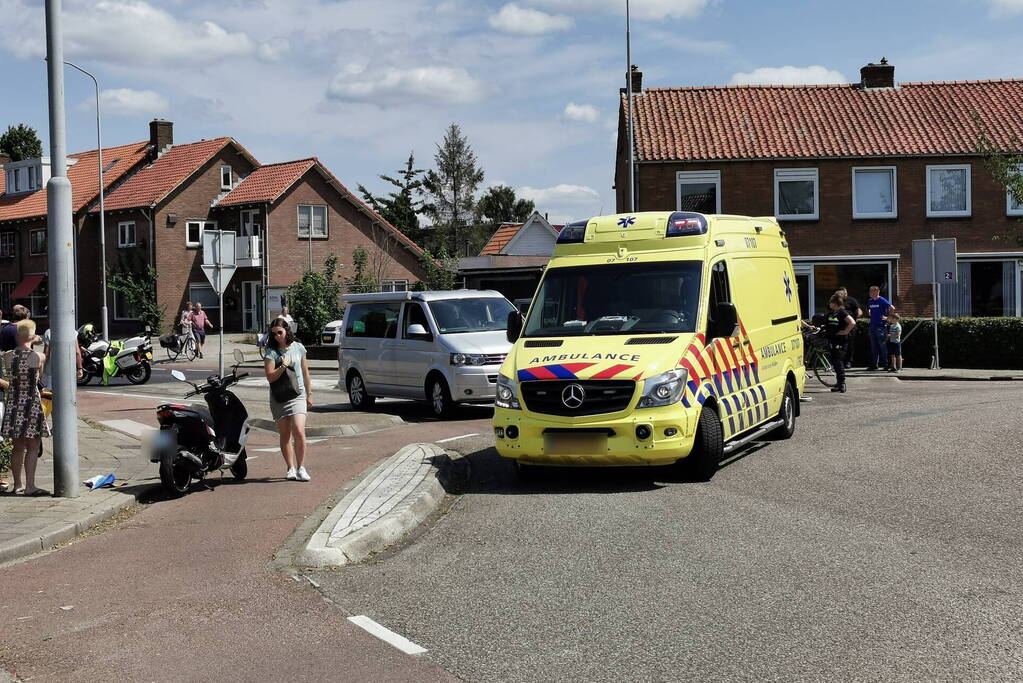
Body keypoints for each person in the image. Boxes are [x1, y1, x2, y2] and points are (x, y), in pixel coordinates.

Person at [2, 320, 50, 496]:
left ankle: (17, 485)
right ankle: (30, 486)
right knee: (33, 446)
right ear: (33, 335)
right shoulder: (37, 357)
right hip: (30, 403)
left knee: (17, 447)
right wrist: (39, 343)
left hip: (14, 403)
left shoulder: (8, 356)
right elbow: (40, 377)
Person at [263, 317, 313, 482]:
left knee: (299, 430)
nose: (277, 336)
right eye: (274, 334)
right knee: (285, 434)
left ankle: (301, 467)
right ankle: (290, 468)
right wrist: (282, 366)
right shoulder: (271, 351)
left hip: (298, 395)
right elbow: (270, 377)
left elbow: (305, 372)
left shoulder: (298, 347)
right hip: (280, 397)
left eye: (280, 332)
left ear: (287, 331)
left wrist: (309, 393)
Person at [824, 293, 855, 393]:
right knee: (835, 361)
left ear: (835, 303)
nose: (829, 304)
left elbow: (852, 322)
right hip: (833, 341)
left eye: (831, 302)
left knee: (838, 362)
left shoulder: (842, 312)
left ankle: (842, 384)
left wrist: (845, 331)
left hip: (841, 341)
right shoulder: (833, 313)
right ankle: (838, 383)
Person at [866, 285, 895, 371]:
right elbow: (868, 308)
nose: (871, 293)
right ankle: (874, 364)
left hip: (881, 326)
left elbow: (892, 308)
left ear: (876, 292)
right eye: (870, 291)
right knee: (873, 346)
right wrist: (869, 312)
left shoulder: (882, 300)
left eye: (872, 291)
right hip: (872, 326)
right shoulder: (870, 301)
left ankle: (886, 365)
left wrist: (888, 318)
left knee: (882, 346)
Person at [836, 286, 862, 369]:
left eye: (846, 293)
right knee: (839, 345)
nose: (845, 295)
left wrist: (854, 319)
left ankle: (848, 362)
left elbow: (859, 311)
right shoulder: (836, 301)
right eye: (843, 293)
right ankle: (839, 361)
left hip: (850, 327)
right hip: (839, 326)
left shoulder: (852, 300)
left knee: (850, 345)